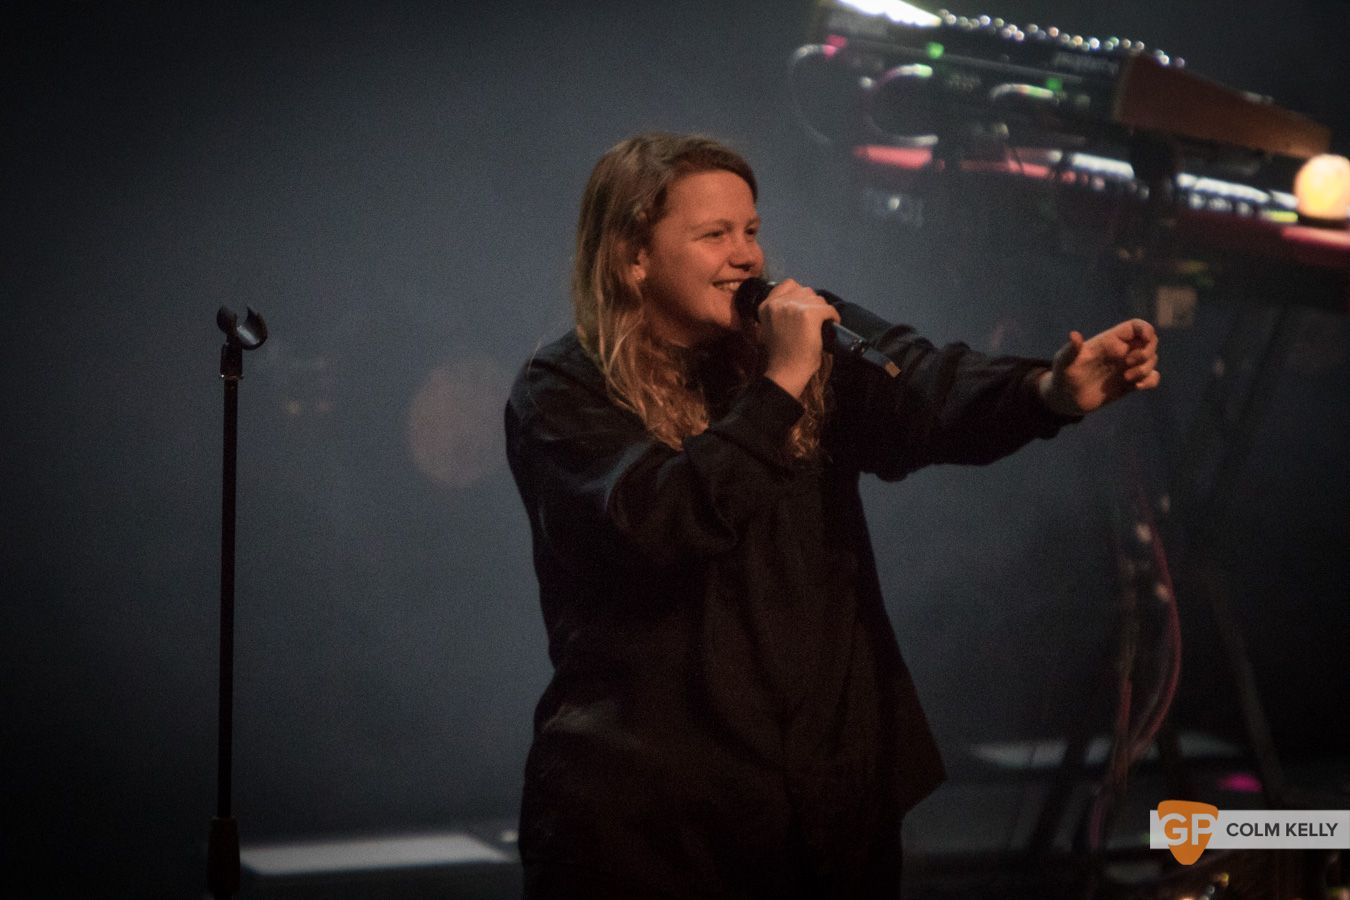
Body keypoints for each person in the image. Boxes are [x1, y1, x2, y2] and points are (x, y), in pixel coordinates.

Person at [503, 132, 1160, 899]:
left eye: (749, 230)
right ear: (632, 255)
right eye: (713, 235)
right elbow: (660, 518)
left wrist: (1044, 392)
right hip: (655, 816)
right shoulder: (562, 390)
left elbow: (921, 383)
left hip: (824, 798)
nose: (746, 256)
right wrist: (780, 385)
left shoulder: (799, 334)